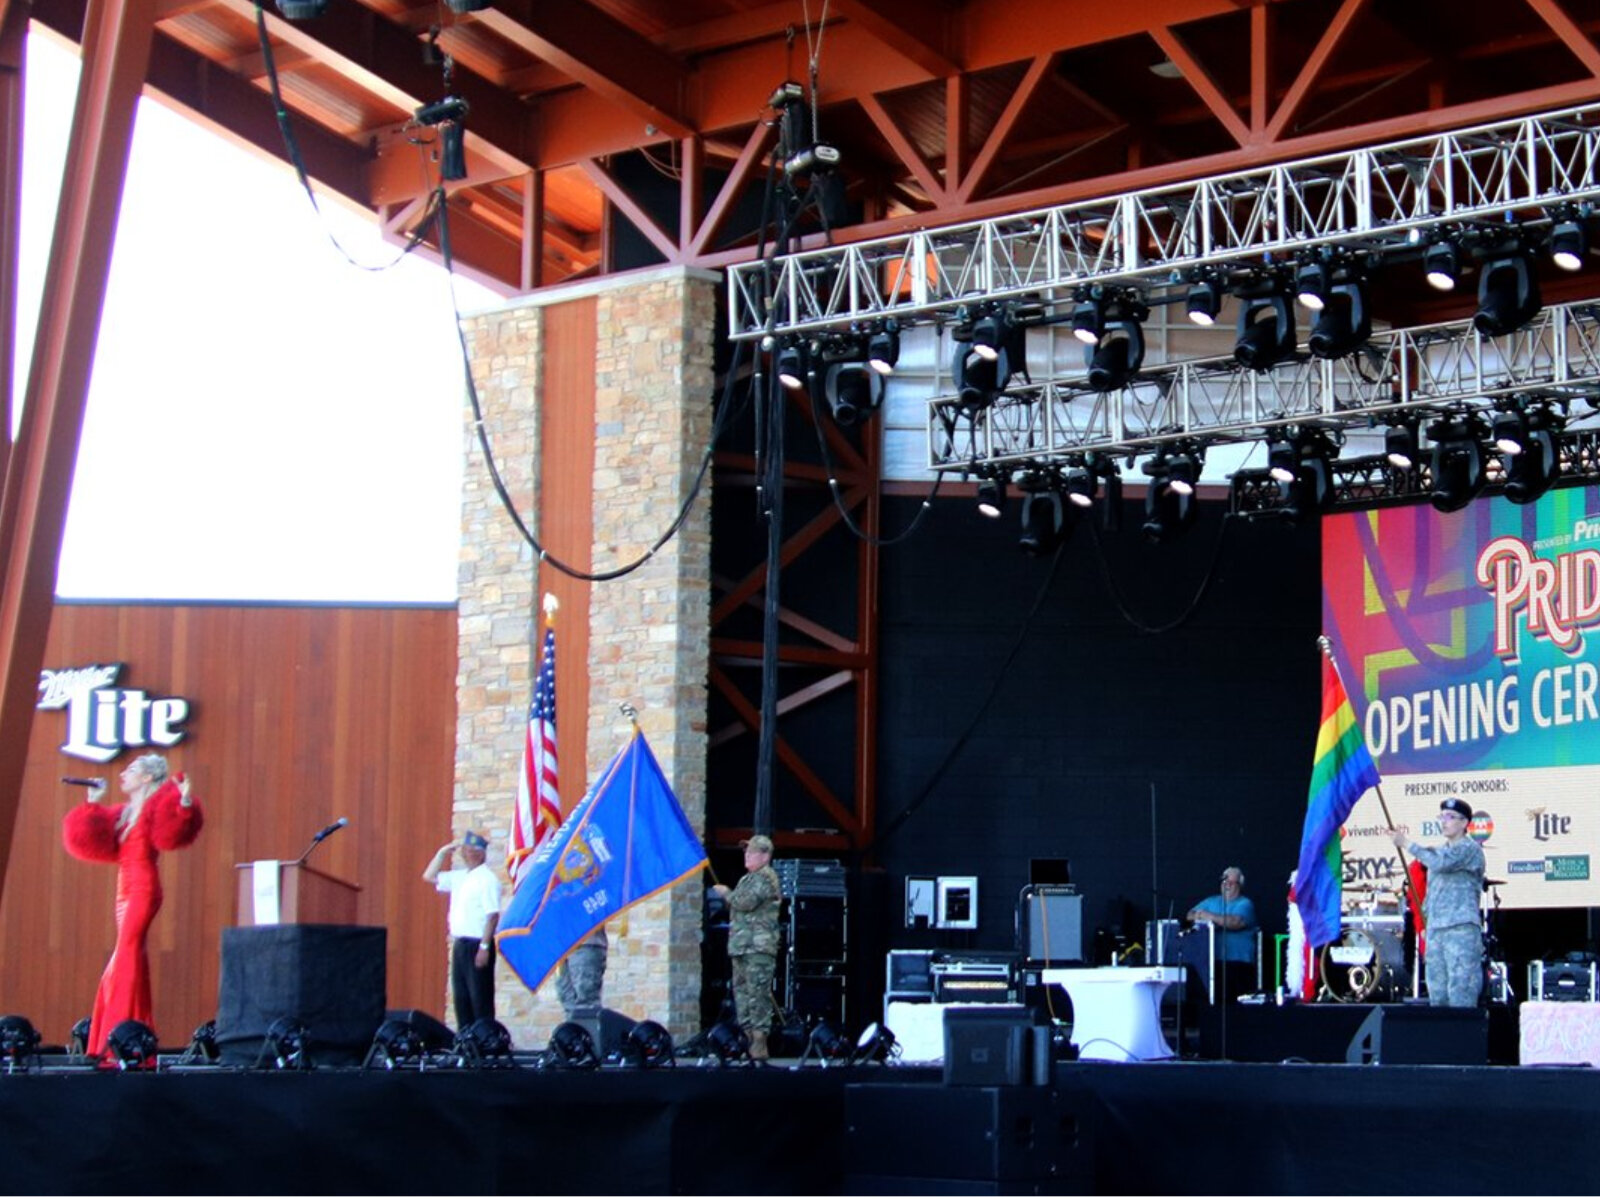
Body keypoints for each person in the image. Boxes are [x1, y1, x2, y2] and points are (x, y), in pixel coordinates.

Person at [61, 753, 204, 1059]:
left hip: (143, 888)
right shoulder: (125, 812)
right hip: (123, 890)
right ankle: (126, 1037)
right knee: (128, 958)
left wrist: (185, 803)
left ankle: (112, 1043)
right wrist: (93, 803)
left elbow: (173, 832)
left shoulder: (154, 808)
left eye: (131, 770)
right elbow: (95, 842)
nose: (123, 774)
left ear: (147, 778)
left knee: (125, 956)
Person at [1391, 797, 1485, 1007]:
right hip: (1436, 929)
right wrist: (1425, 923)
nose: (1444, 821)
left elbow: (1440, 862)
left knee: (1461, 990)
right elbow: (1431, 892)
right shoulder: (1439, 851)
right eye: (1441, 816)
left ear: (1464, 823)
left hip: (1460, 929)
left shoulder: (1469, 850)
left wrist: (1406, 843)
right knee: (1437, 992)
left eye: (1450, 817)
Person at [711, 834, 782, 1061]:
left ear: (765, 856)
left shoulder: (764, 878)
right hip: (742, 946)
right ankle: (748, 1037)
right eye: (746, 851)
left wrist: (726, 894)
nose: (747, 855)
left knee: (757, 995)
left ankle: (759, 1043)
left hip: (758, 947)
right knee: (742, 995)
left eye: (751, 852)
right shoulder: (748, 879)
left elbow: (744, 902)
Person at [423, 831, 502, 1030]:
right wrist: (441, 854)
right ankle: (466, 1039)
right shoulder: (460, 877)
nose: (465, 855)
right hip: (461, 942)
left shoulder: (487, 879)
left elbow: (492, 916)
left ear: (480, 854)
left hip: (477, 942)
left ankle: (484, 1038)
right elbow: (429, 876)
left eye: (469, 851)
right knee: (462, 996)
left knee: (479, 996)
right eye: (464, 851)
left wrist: (484, 947)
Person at [1187, 867, 1259, 999]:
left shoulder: (1245, 903)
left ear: (1240, 885)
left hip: (1239, 965)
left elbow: (1236, 922)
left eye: (1232, 882)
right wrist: (1205, 916)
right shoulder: (1211, 901)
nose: (1227, 885)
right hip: (1214, 963)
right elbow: (1190, 915)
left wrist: (1209, 916)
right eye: (1225, 881)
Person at [557, 927, 608, 1017]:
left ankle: (587, 1030)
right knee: (568, 1002)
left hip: (585, 942)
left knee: (585, 1004)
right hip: (561, 947)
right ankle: (576, 1029)